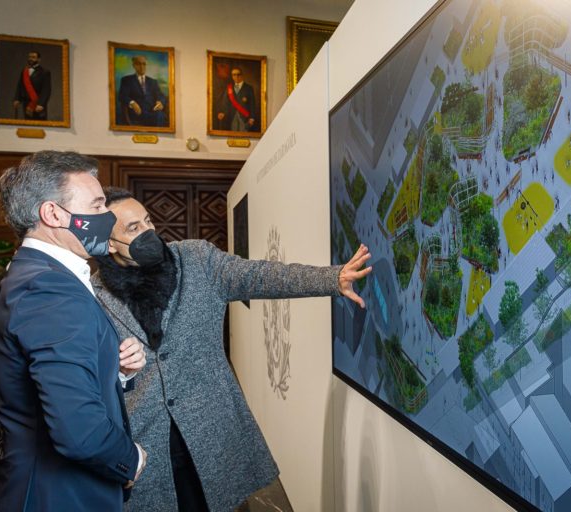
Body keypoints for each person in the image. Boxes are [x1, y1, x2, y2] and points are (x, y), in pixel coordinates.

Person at [91, 187, 371, 512]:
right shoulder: (93, 294)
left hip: (211, 430)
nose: (148, 232)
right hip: (145, 442)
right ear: (109, 243)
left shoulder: (196, 260)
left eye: (148, 221)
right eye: (133, 228)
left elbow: (260, 276)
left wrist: (332, 278)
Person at [0, 151, 149, 511]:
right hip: (59, 495)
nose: (107, 217)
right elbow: (80, 432)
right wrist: (132, 459)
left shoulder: (41, 274)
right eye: (96, 206)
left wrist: (116, 369)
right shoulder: (48, 288)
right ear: (54, 214)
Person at [118, 55, 168, 127]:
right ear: (134, 65)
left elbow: (160, 95)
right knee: (159, 116)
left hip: (152, 111)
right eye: (139, 64)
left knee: (160, 115)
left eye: (144, 64)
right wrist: (132, 102)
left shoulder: (153, 81)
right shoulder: (127, 80)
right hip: (137, 113)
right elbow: (122, 96)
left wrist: (160, 102)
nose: (142, 67)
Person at [216, 65, 258, 132]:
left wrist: (252, 118)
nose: (236, 77)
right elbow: (225, 102)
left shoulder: (249, 88)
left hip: (245, 117)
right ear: (232, 76)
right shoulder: (229, 88)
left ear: (242, 75)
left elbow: (252, 104)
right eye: (234, 75)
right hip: (232, 116)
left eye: (238, 74)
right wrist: (222, 112)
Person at [13, 51, 51, 120]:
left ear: (39, 59)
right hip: (26, 102)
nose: (30, 59)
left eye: (33, 57)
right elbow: (20, 85)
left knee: (40, 124)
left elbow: (46, 89)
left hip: (38, 103)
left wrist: (41, 104)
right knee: (28, 122)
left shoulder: (45, 72)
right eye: (29, 57)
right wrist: (17, 99)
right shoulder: (24, 71)